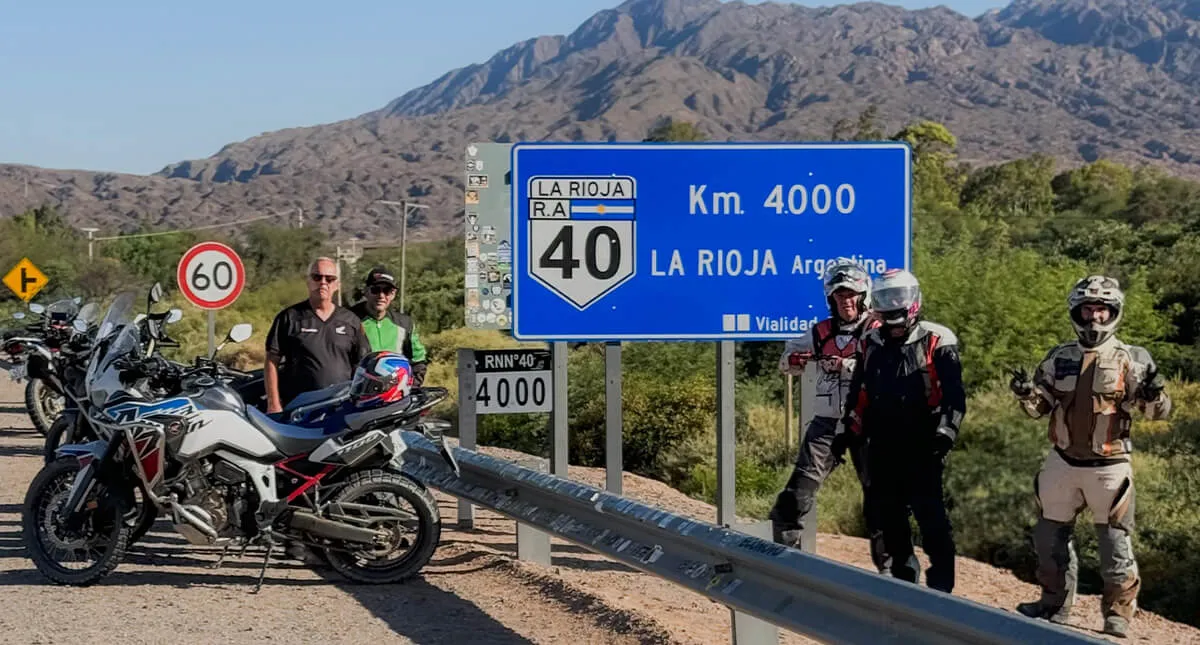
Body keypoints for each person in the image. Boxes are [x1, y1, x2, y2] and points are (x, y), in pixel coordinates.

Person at [1009, 275, 1171, 639]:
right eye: (1088, 309)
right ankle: (1054, 604)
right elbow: (1039, 409)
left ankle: (1118, 615)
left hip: (1110, 466)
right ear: (1076, 312)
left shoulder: (1134, 358)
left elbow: (1157, 413)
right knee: (1048, 540)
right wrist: (1025, 394)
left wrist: (1154, 395)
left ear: (1113, 312)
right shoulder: (1058, 357)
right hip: (1063, 461)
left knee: (1114, 545)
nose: (1094, 317)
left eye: (1101, 310)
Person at [843, 268, 966, 594]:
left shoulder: (938, 339)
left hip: (924, 443)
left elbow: (955, 396)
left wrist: (946, 432)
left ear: (913, 299)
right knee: (887, 514)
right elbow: (859, 391)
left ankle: (942, 587)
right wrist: (849, 427)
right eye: (885, 297)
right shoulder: (869, 341)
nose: (893, 304)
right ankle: (903, 582)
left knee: (931, 516)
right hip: (881, 442)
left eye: (898, 296)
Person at [769, 260, 892, 574]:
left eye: (851, 295)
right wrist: (802, 358)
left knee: (880, 502)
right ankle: (786, 567)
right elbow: (785, 361)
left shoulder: (877, 329)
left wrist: (846, 366)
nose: (845, 301)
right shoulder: (820, 331)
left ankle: (892, 577)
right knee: (795, 496)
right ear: (831, 299)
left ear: (863, 295)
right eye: (839, 296)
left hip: (870, 423)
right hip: (827, 423)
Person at [264, 257, 371, 413]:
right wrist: (273, 403)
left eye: (329, 278)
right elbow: (271, 361)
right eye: (317, 277)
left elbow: (362, 366)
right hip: (297, 408)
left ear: (337, 285)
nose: (323, 282)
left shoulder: (351, 321)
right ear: (308, 281)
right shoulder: (289, 317)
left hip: (340, 407)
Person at [348, 265, 428, 387]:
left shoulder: (405, 324)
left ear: (393, 294)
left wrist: (412, 386)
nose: (381, 296)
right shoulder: (349, 320)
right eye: (376, 290)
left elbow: (419, 359)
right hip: (360, 396)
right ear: (366, 291)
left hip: (396, 396)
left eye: (387, 291)